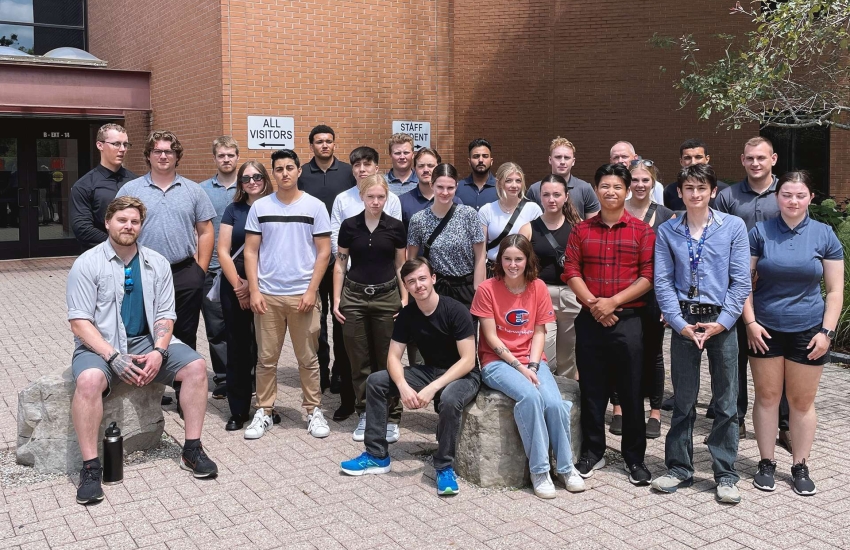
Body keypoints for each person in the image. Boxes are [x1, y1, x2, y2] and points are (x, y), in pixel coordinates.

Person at [68, 196, 217, 506]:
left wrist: (159, 352)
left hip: (147, 341)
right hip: (102, 345)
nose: (128, 226)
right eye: (122, 220)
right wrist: (112, 356)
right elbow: (80, 322)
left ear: (141, 226)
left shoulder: (156, 262)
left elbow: (166, 315)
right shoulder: (87, 263)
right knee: (88, 382)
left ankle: (191, 450)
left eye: (134, 221)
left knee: (196, 367)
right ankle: (91, 469)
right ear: (108, 222)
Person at [651, 163, 750, 504]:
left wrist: (722, 322)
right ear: (679, 192)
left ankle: (725, 472)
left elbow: (741, 281)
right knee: (683, 399)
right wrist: (679, 324)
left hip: (721, 321)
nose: (695, 194)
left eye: (701, 188)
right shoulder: (668, 231)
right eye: (688, 188)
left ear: (713, 192)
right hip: (684, 321)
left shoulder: (733, 227)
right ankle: (679, 467)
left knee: (725, 401)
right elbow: (662, 281)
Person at [340, 258, 480, 496]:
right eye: (411, 282)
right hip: (431, 370)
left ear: (433, 278)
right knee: (376, 381)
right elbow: (393, 358)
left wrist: (432, 388)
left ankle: (444, 466)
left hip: (464, 374)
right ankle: (376, 455)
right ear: (405, 285)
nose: (418, 285)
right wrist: (403, 386)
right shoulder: (407, 314)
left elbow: (467, 360)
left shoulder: (455, 310)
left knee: (448, 399)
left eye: (423, 278)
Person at [744, 171, 843, 496]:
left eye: (800, 195)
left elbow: (835, 290)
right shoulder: (760, 232)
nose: (793, 201)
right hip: (765, 329)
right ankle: (766, 462)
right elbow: (744, 281)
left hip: (809, 330)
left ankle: (800, 465)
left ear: (810, 198)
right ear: (778, 197)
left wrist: (827, 332)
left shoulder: (824, 234)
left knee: (801, 402)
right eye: (787, 194)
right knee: (768, 398)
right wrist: (751, 322)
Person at [471, 234, 585, 498]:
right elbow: (490, 337)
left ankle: (566, 469)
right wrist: (519, 367)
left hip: (531, 360)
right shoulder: (487, 289)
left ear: (527, 260)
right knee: (531, 397)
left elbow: (539, 332)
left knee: (555, 404)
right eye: (507, 259)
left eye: (518, 259)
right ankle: (540, 471)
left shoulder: (538, 287)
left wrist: (533, 365)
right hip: (497, 362)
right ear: (500, 260)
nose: (513, 264)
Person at [563, 163, 654, 486]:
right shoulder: (582, 230)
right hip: (590, 319)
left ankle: (634, 458)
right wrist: (594, 304)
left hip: (628, 320)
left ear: (627, 191)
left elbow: (648, 275)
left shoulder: (642, 231)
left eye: (617, 187)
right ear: (596, 189)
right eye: (605, 186)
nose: (611, 192)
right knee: (592, 390)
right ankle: (593, 451)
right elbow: (571, 270)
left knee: (631, 392)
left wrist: (612, 303)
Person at [243, 149, 331, 440]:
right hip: (268, 296)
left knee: (308, 359)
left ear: (298, 170)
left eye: (289, 167)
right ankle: (265, 411)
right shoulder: (260, 207)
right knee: (266, 359)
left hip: (302, 296)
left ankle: (313, 410)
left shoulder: (315, 207)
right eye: (278, 169)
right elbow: (251, 251)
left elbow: (323, 253)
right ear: (273, 173)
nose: (284, 173)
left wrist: (312, 290)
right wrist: (254, 290)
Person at [115, 130, 216, 353]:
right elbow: (118, 227)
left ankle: (184, 385)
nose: (163, 156)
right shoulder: (131, 190)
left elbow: (206, 231)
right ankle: (148, 385)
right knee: (140, 331)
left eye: (169, 151)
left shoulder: (193, 191)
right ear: (148, 155)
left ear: (177, 156)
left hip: (184, 273)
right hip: (142, 270)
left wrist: (200, 271)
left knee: (184, 333)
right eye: (157, 151)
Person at [715, 136, 783, 441]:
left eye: (761, 158)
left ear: (773, 159)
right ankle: (735, 419)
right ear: (742, 160)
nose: (756, 163)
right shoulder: (728, 197)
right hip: (736, 292)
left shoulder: (786, 193)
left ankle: (784, 424)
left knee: (779, 360)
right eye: (750, 158)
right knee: (735, 359)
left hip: (777, 293)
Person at [333, 174, 408, 441]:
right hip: (353, 296)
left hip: (387, 296)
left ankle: (392, 414)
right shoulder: (349, 226)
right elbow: (340, 263)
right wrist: (337, 299)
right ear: (362, 197)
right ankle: (365, 412)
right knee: (359, 359)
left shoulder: (396, 227)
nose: (376, 202)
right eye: (371, 197)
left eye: (381, 197)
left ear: (386, 197)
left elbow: (401, 265)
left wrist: (405, 299)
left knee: (388, 358)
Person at [297, 125, 356, 395]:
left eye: (329, 141)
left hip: (343, 259)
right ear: (311, 145)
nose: (324, 145)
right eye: (319, 142)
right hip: (312, 258)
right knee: (315, 321)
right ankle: (320, 370)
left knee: (341, 316)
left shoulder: (347, 172)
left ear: (335, 144)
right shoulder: (301, 174)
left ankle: (341, 372)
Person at [216, 160, 272, 431]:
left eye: (257, 176)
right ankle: (238, 410)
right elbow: (223, 251)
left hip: (268, 283)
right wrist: (240, 285)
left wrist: (254, 286)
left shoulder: (275, 206)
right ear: (240, 184)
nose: (252, 182)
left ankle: (265, 406)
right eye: (246, 178)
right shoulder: (233, 210)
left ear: (265, 179)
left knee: (266, 348)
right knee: (238, 347)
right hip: (235, 283)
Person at [626, 160, 675, 439]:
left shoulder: (667, 215)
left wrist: (670, 303)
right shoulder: (618, 210)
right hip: (623, 291)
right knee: (623, 350)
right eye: (635, 180)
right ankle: (620, 407)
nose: (640, 185)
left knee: (654, 352)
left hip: (655, 294)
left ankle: (654, 412)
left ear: (653, 182)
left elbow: (672, 260)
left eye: (645, 180)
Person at [407, 163, 486, 309]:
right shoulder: (418, 220)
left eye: (450, 188)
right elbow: (411, 260)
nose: (445, 192)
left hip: (465, 289)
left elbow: (480, 255)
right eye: (440, 187)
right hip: (435, 289)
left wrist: (478, 289)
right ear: (432, 185)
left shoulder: (469, 215)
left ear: (456, 186)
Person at [529, 174, 582, 379]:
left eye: (557, 194)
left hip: (572, 295)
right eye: (547, 195)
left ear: (566, 196)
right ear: (540, 198)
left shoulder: (578, 228)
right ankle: (547, 396)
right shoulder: (529, 228)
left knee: (568, 357)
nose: (552, 199)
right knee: (546, 354)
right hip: (542, 295)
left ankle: (567, 404)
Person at [199, 136, 240, 400]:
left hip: (244, 270)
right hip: (212, 269)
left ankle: (247, 375)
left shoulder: (250, 185)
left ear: (237, 157)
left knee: (244, 328)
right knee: (216, 329)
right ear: (214, 158)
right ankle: (224, 377)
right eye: (221, 155)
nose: (226, 159)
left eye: (230, 155)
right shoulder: (201, 190)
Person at [70, 123, 138, 250]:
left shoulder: (136, 182)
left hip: (135, 256)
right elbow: (82, 229)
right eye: (116, 144)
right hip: (100, 258)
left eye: (125, 144)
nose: (122, 149)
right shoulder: (84, 186)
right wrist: (119, 243)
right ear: (99, 145)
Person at [479, 162, 542, 274]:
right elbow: (481, 251)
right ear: (499, 183)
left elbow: (538, 247)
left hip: (521, 270)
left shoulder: (533, 209)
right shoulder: (487, 210)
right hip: (494, 270)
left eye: (518, 180)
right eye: (508, 181)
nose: (514, 185)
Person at [526, 137, 600, 220]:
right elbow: (527, 222)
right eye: (558, 157)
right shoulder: (535, 189)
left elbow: (594, 225)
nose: (562, 162)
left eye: (567, 158)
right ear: (550, 160)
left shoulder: (585, 189)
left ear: (573, 161)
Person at [399, 147, 461, 229]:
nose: (425, 170)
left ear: (438, 168)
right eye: (421, 166)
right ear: (414, 169)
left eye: (430, 166)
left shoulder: (455, 201)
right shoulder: (402, 202)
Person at [663, 139, 728, 212]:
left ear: (707, 159)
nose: (693, 162)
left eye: (698, 157)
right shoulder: (670, 190)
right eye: (687, 158)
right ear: (681, 161)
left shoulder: (724, 191)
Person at [455, 138, 498, 210]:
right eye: (476, 156)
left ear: (491, 161)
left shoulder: (500, 188)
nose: (481, 160)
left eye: (485, 156)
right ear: (469, 161)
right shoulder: (457, 188)